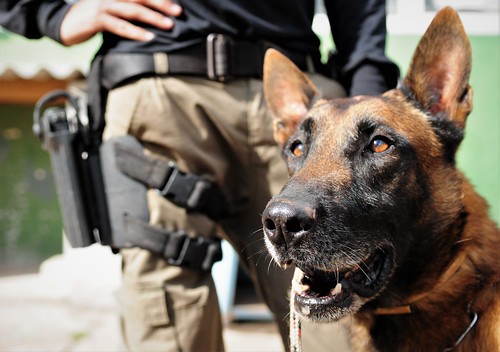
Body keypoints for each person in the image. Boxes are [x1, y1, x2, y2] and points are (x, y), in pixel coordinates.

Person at [0, 0, 399, 350]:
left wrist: (367, 98)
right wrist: (51, 14)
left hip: (299, 97)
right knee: (167, 318)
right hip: (159, 85)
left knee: (340, 315)